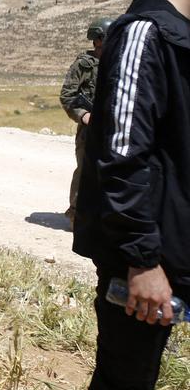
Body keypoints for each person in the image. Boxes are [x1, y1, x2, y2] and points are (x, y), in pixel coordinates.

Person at [72, 0, 190, 390]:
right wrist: (142, 260)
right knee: (125, 385)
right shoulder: (146, 33)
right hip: (151, 258)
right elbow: (120, 157)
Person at [59, 16, 112, 230]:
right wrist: (83, 115)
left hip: (111, 127)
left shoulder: (116, 62)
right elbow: (67, 95)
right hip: (89, 129)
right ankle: (76, 215)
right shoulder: (84, 65)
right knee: (84, 171)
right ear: (98, 40)